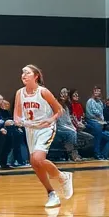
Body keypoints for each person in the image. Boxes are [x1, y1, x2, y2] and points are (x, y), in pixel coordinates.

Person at [15, 64, 72, 208]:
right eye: (22, 73)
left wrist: (51, 119)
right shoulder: (19, 93)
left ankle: (62, 177)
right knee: (35, 163)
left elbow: (59, 110)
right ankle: (51, 193)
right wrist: (18, 121)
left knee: (38, 158)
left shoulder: (43, 92)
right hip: (30, 130)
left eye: (27, 73)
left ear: (36, 76)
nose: (23, 75)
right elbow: (17, 114)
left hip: (46, 128)